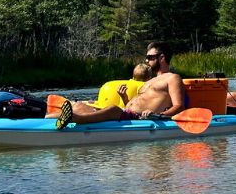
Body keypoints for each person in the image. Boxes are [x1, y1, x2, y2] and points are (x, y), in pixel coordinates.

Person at [52, 42, 186, 130]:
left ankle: (76, 119)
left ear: (162, 58)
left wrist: (158, 115)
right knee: (79, 105)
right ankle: (44, 118)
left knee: (113, 109)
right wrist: (125, 98)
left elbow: (179, 106)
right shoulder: (149, 81)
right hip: (127, 113)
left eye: (150, 57)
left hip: (141, 119)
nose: (146, 60)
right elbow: (139, 104)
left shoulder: (172, 78)